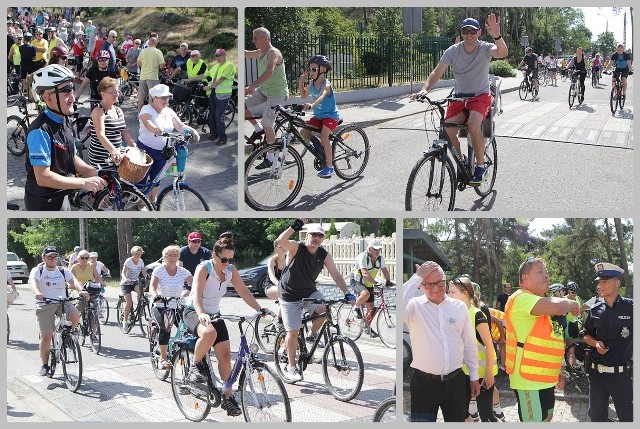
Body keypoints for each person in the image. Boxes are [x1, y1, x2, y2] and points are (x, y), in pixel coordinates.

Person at [412, 15, 507, 186]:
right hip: (459, 98)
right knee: (447, 131)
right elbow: (436, 72)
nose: (469, 34)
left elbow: (502, 53)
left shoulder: (485, 48)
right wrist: (424, 89)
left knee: (472, 126)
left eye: (472, 31)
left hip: (480, 96)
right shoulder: (452, 51)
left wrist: (497, 37)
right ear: (461, 32)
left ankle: (480, 166)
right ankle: (461, 159)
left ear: (479, 32)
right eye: (465, 31)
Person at [182, 232, 266, 417]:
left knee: (226, 356)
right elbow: (195, 294)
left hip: (214, 314)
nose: (227, 263)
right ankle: (195, 365)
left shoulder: (230, 270)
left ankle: (228, 397)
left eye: (230, 259)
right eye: (224, 259)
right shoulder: (204, 268)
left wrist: (260, 309)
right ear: (214, 255)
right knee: (209, 333)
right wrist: (201, 312)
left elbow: (244, 291)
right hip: (194, 311)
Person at [275, 219, 355, 381]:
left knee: (324, 311)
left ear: (323, 239)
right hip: (289, 294)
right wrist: (294, 226)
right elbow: (280, 242)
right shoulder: (297, 247)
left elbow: (336, 274)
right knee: (293, 331)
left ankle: (311, 335)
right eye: (313, 234)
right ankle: (291, 367)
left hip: (310, 291)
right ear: (307, 236)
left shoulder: (323, 255)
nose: (316, 238)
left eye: (320, 235)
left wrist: (347, 292)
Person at [504, 257, 580, 422]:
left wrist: (556, 371)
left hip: (543, 378)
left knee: (547, 418)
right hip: (527, 379)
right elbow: (557, 306)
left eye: (546, 272)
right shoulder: (520, 298)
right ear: (525, 277)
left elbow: (546, 343)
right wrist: (570, 303)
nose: (546, 276)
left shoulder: (539, 304)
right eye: (540, 272)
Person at [403, 261, 480, 421]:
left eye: (440, 283)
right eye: (429, 285)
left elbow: (469, 344)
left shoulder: (459, 308)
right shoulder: (413, 307)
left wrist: (474, 376)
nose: (436, 289)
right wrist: (417, 277)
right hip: (424, 383)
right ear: (420, 285)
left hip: (455, 382)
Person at [25, 64, 106, 210]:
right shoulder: (40, 131)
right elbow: (43, 177)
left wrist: (96, 173)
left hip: (61, 196)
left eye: (72, 89)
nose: (73, 98)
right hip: (44, 204)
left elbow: (71, 157)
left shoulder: (64, 119)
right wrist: (84, 183)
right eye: (66, 91)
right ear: (48, 98)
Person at [582, 262, 632, 422]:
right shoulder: (595, 310)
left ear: (617, 282)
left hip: (621, 376)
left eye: (605, 281)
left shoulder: (631, 308)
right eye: (599, 281)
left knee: (628, 417)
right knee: (597, 417)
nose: (600, 285)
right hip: (597, 375)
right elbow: (585, 335)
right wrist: (595, 343)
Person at [30, 246, 89, 376]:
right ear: (43, 258)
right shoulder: (38, 270)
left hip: (62, 301)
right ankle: (45, 365)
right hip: (45, 304)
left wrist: (82, 290)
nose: (52, 259)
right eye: (49, 257)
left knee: (75, 315)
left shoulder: (62, 270)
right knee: (47, 335)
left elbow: (74, 280)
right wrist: (38, 292)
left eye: (55, 257)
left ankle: (67, 336)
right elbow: (34, 283)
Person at [136, 83, 200, 202]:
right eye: (163, 98)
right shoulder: (146, 109)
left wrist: (192, 130)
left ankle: (153, 200)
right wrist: (155, 129)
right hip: (146, 150)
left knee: (157, 178)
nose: (166, 100)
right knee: (142, 179)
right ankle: (140, 201)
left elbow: (180, 126)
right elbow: (147, 122)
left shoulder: (169, 111)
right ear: (154, 98)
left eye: (167, 97)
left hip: (163, 151)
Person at [448, 277, 497, 422]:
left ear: (464, 293)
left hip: (482, 375)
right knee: (462, 413)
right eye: (449, 292)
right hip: (464, 373)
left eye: (452, 292)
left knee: (486, 416)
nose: (449, 296)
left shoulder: (477, 314)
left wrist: (489, 374)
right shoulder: (456, 313)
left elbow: (489, 345)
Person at [245, 26, 289, 162]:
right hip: (264, 91)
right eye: (253, 38)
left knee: (267, 123)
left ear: (266, 39)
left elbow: (269, 71)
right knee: (241, 105)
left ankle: (271, 157)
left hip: (277, 94)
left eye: (256, 38)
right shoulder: (260, 52)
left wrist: (252, 85)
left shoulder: (273, 53)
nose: (253, 41)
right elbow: (246, 53)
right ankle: (258, 129)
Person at [149, 245, 192, 369]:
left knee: (187, 329)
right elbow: (152, 287)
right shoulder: (159, 270)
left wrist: (190, 292)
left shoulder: (183, 271)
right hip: (162, 304)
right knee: (166, 327)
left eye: (175, 255)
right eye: (169, 255)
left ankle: (185, 357)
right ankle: (163, 358)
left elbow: (195, 284)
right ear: (164, 257)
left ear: (178, 257)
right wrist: (156, 296)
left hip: (178, 304)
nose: (172, 258)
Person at [298, 55, 341, 178]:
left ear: (322, 70)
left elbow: (321, 96)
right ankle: (320, 147)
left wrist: (312, 105)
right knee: (304, 132)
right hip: (318, 116)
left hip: (331, 117)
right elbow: (303, 96)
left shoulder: (326, 84)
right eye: (309, 69)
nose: (310, 72)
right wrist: (301, 82)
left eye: (313, 69)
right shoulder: (312, 83)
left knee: (324, 136)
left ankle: (330, 167)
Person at [87, 76, 137, 168]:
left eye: (117, 91)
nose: (117, 94)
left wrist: (134, 146)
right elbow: (100, 134)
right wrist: (113, 151)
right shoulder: (98, 111)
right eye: (113, 92)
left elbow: (124, 132)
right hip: (101, 158)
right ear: (103, 93)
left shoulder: (118, 110)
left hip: (117, 156)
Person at [350, 238, 393, 324]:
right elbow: (365, 274)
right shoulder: (362, 257)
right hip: (357, 281)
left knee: (371, 310)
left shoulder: (380, 259)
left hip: (369, 283)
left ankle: (366, 326)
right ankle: (355, 307)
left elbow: (384, 270)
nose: (378, 251)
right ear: (369, 249)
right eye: (375, 249)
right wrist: (376, 283)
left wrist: (388, 281)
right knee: (365, 294)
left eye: (379, 249)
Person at [204, 48, 235, 145]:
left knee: (218, 117)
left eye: (220, 55)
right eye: (216, 55)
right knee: (212, 116)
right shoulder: (216, 66)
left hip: (223, 95)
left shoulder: (230, 65)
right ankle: (214, 134)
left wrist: (209, 87)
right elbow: (205, 75)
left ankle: (222, 138)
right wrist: (191, 79)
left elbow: (221, 79)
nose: (218, 57)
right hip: (214, 93)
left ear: (225, 55)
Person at [136, 35, 165, 112]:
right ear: (156, 43)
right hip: (153, 77)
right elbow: (162, 66)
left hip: (143, 76)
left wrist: (145, 66)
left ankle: (139, 113)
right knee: (152, 97)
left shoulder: (143, 51)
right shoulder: (158, 52)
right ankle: (150, 113)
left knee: (141, 97)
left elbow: (138, 63)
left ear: (148, 43)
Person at [120, 245, 145, 331]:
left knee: (140, 292)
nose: (138, 255)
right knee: (129, 302)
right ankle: (125, 320)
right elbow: (123, 272)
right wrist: (125, 278)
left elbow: (144, 272)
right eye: (136, 254)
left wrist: (148, 278)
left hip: (134, 282)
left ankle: (139, 307)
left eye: (139, 254)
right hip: (126, 283)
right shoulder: (129, 261)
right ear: (133, 253)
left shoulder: (141, 261)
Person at [70, 249, 101, 313]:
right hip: (77, 289)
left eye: (86, 258)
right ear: (78, 259)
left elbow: (97, 277)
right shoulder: (74, 267)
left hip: (89, 288)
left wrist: (100, 283)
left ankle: (94, 318)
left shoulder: (91, 266)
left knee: (95, 301)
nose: (84, 260)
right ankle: (76, 318)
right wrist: (72, 286)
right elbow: (69, 280)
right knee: (80, 301)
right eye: (82, 258)